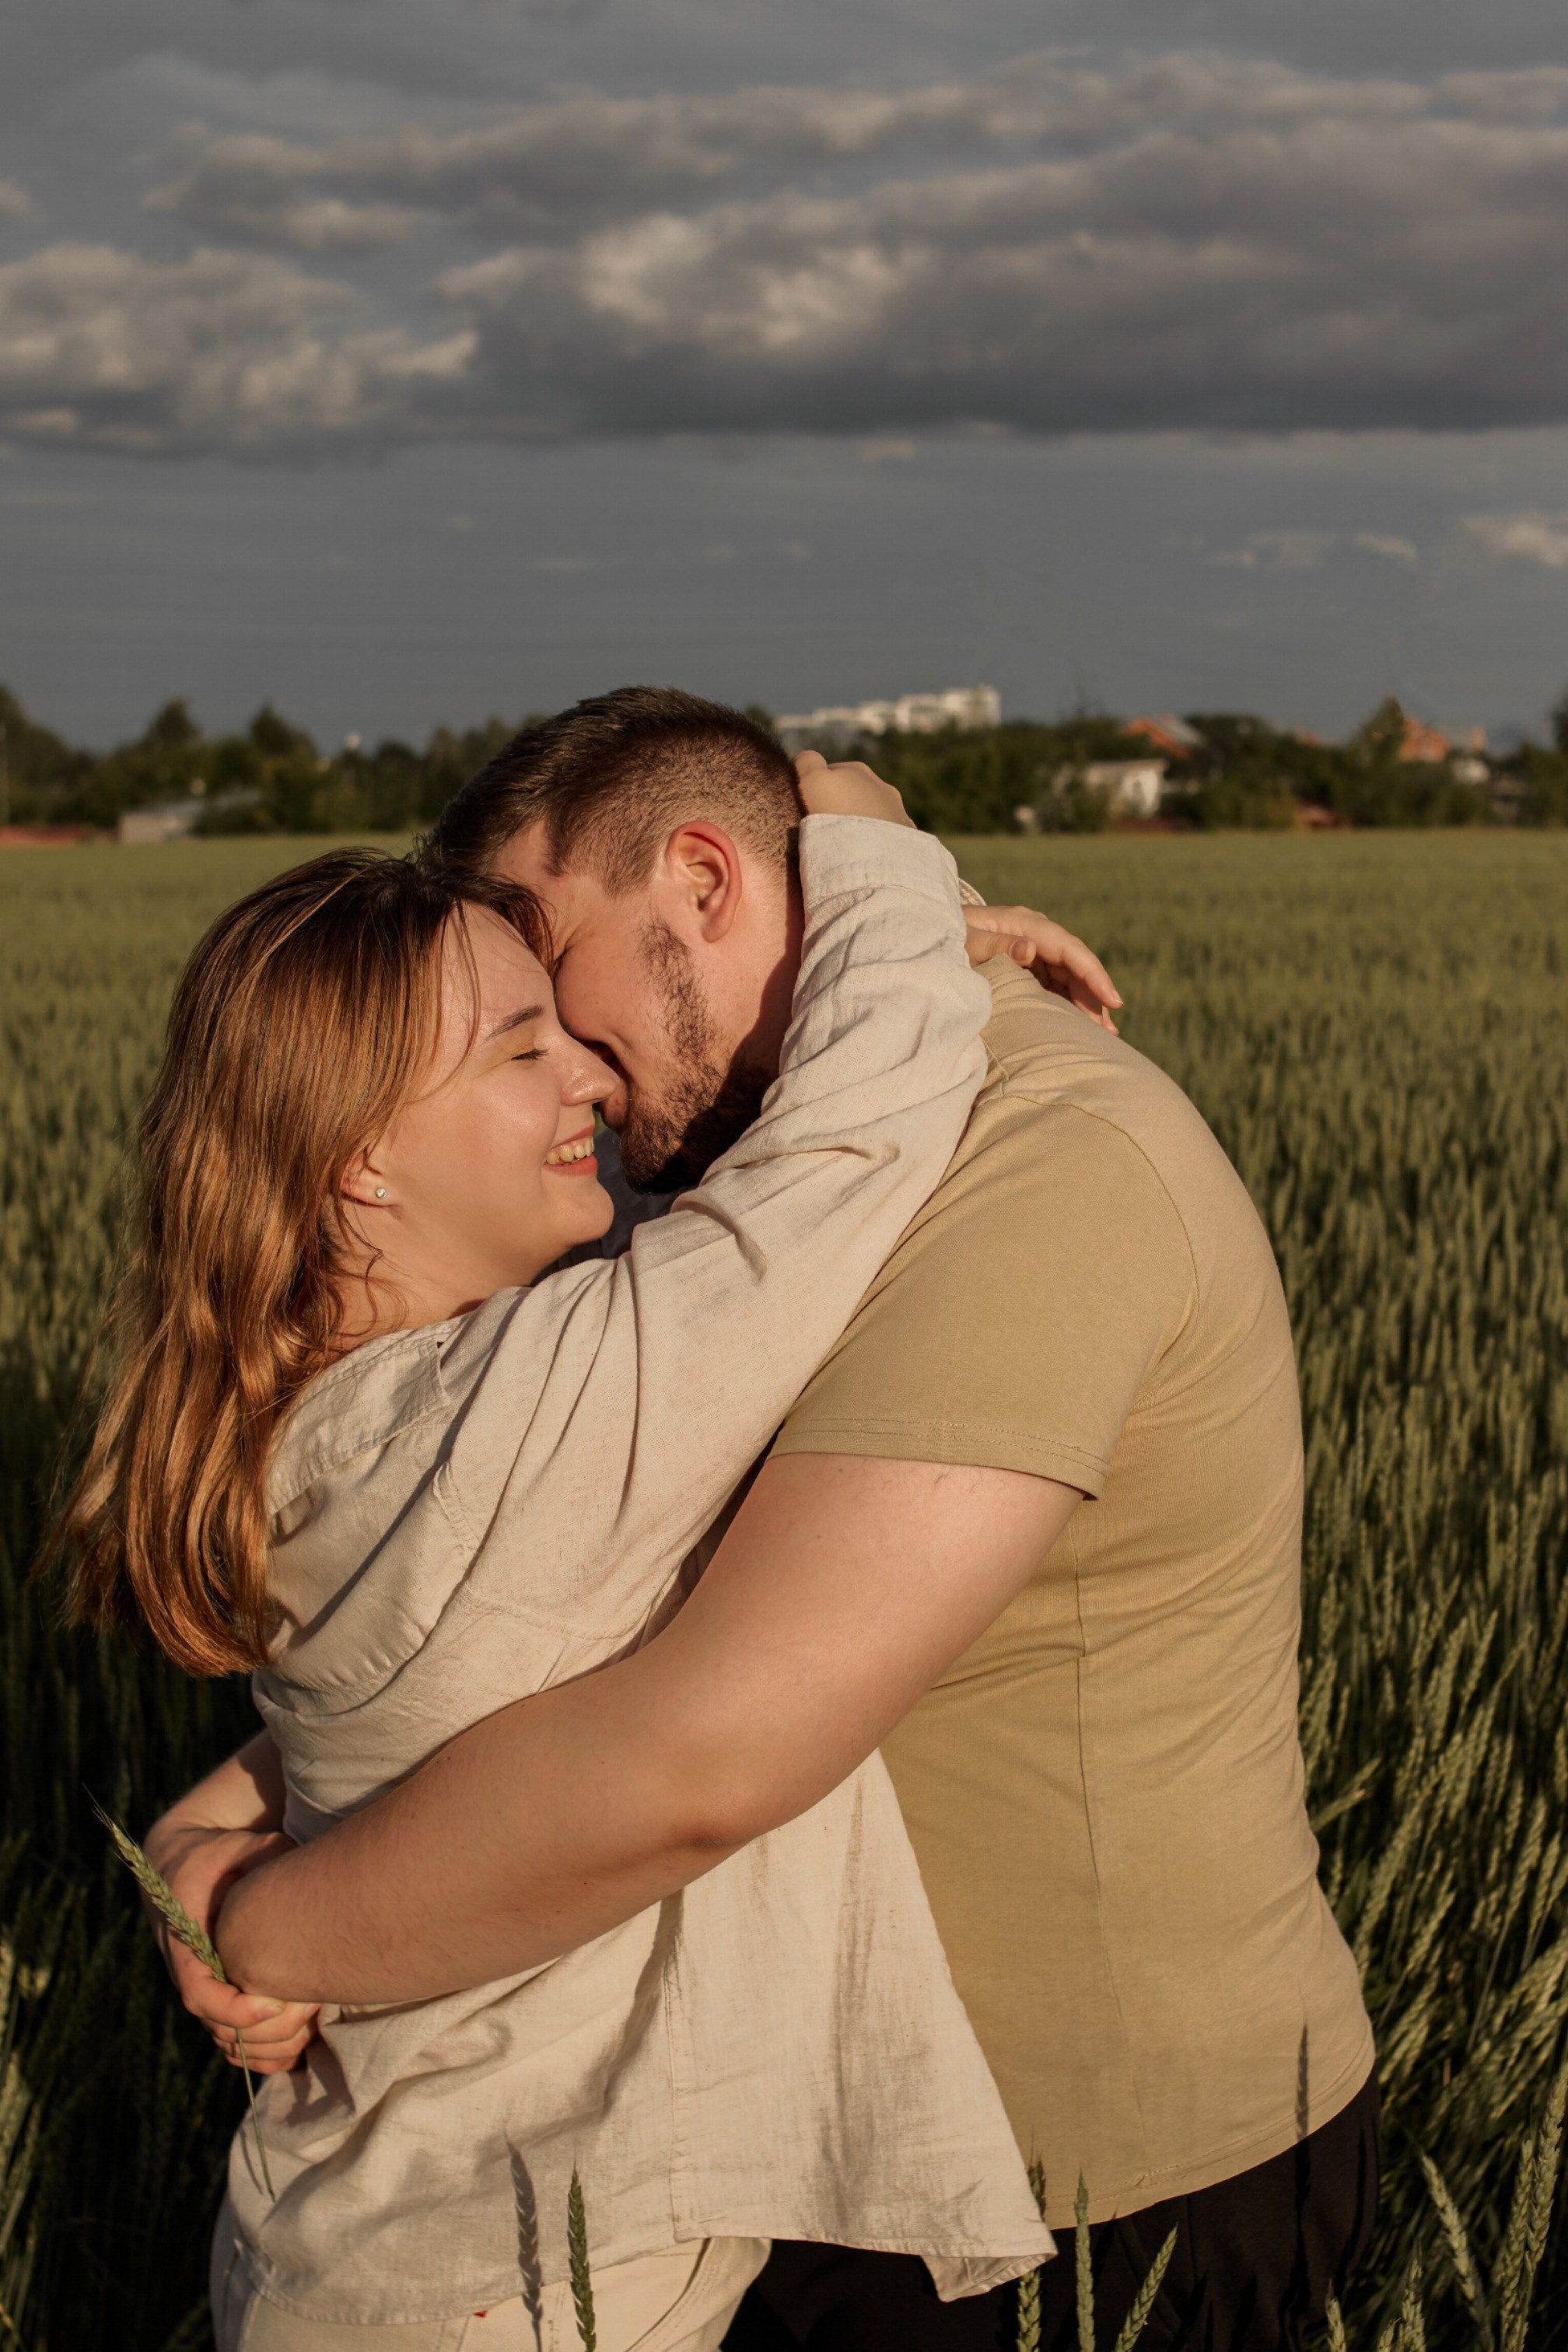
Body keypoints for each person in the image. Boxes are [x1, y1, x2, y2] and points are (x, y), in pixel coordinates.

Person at [161, 689, 1377, 2351]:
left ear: (706, 882)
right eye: (514, 1038)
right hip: (806, 2182)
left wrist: (266, 1913)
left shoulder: (1041, 1166)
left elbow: (697, 1755)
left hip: (1096, 2194)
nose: (574, 1062)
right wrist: (227, 1813)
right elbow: (509, 1615)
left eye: (552, 982)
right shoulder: (681, 1200)